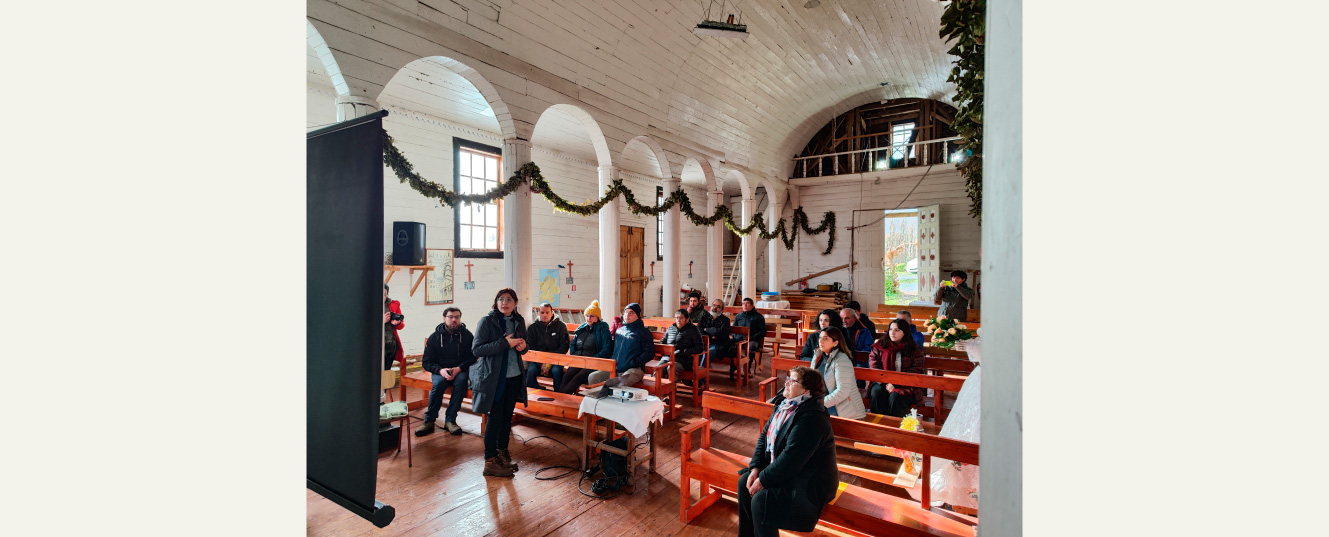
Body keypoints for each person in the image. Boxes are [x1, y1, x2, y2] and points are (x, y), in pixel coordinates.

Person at [738, 366, 838, 537]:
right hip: (792, 472)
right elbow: (764, 437)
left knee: (762, 502)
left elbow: (792, 459)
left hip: (810, 481)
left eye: (793, 381)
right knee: (744, 481)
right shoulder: (784, 405)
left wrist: (763, 479)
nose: (787, 383)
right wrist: (755, 468)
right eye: (788, 379)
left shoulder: (812, 417)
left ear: (807, 389)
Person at [469, 288, 529, 478]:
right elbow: (477, 349)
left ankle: (502, 452)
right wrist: (505, 343)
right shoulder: (487, 321)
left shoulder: (519, 321)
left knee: (506, 418)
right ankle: (490, 460)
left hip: (515, 376)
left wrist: (523, 347)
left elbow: (523, 348)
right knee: (495, 418)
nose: (505, 303)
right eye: (501, 299)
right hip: (494, 379)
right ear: (496, 303)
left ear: (515, 303)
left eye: (509, 299)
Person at [416, 307, 475, 436]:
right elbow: (426, 362)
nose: (454, 319)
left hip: (459, 370)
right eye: (451, 317)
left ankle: (450, 420)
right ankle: (429, 420)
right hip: (441, 370)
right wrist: (440, 370)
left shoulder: (466, 335)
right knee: (438, 384)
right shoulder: (434, 337)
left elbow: (472, 357)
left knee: (461, 383)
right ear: (444, 319)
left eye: (457, 317)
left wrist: (459, 368)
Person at [867, 318, 926, 417]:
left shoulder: (914, 349)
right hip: (882, 381)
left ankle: (894, 425)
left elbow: (916, 369)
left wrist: (896, 384)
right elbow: (874, 367)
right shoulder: (880, 346)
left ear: (905, 332)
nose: (892, 333)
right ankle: (877, 424)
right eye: (890, 329)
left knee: (896, 396)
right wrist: (886, 383)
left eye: (897, 330)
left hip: (906, 384)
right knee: (877, 393)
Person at [587, 303, 654, 387]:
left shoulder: (644, 332)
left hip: (634, 369)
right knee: (593, 377)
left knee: (620, 383)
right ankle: (600, 399)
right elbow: (612, 348)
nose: (627, 315)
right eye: (626, 312)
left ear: (637, 315)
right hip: (615, 368)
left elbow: (649, 352)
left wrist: (634, 362)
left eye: (631, 312)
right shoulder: (619, 331)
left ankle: (610, 399)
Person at [557, 300, 614, 394]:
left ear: (598, 317)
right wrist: (575, 356)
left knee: (578, 377)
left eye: (592, 316)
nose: (589, 318)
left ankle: (561, 399)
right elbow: (574, 344)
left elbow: (606, 349)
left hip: (594, 362)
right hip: (579, 360)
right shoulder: (582, 329)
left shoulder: (603, 330)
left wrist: (593, 359)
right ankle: (561, 398)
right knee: (566, 376)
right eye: (587, 315)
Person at [808, 327, 865, 419]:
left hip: (844, 409)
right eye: (820, 337)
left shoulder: (841, 360)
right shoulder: (818, 355)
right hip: (825, 401)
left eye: (825, 338)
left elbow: (842, 392)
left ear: (835, 343)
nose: (821, 341)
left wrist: (819, 403)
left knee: (810, 417)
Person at [524, 302, 570, 391]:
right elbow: (531, 347)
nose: (544, 315)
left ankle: (558, 394)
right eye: (542, 312)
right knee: (531, 371)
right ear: (538, 313)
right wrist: (541, 363)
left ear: (552, 313)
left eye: (547, 312)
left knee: (556, 371)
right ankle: (535, 393)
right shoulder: (533, 328)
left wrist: (550, 362)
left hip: (556, 360)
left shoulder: (561, 326)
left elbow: (564, 346)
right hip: (538, 360)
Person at [731, 298, 767, 379]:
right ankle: (734, 365)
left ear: (752, 306)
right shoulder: (739, 316)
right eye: (743, 304)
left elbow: (763, 331)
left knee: (750, 347)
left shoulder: (758, 317)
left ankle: (747, 366)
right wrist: (736, 337)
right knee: (730, 345)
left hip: (752, 339)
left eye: (747, 303)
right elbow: (733, 329)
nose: (745, 305)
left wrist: (751, 337)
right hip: (739, 339)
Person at [660, 308, 705, 373]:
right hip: (668, 358)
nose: (678, 320)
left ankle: (673, 383)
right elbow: (662, 343)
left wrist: (684, 351)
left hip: (684, 360)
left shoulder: (693, 330)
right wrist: (665, 351)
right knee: (658, 369)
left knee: (671, 368)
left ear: (687, 319)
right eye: (677, 318)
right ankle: (660, 383)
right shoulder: (670, 328)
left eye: (681, 318)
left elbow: (700, 348)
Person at [700, 299, 732, 369]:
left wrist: (706, 329)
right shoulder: (704, 317)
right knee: (694, 352)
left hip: (717, 345)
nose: (714, 307)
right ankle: (693, 375)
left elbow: (721, 333)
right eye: (713, 305)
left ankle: (701, 377)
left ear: (722, 310)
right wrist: (711, 335)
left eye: (718, 306)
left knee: (707, 353)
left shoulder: (725, 320)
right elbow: (699, 330)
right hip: (704, 343)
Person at [383, 284, 405, 371]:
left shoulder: (393, 305)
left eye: (385, 294)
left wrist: (397, 323)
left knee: (386, 371)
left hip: (390, 344)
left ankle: (385, 385)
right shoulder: (367, 305)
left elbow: (402, 325)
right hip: (374, 345)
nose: (383, 297)